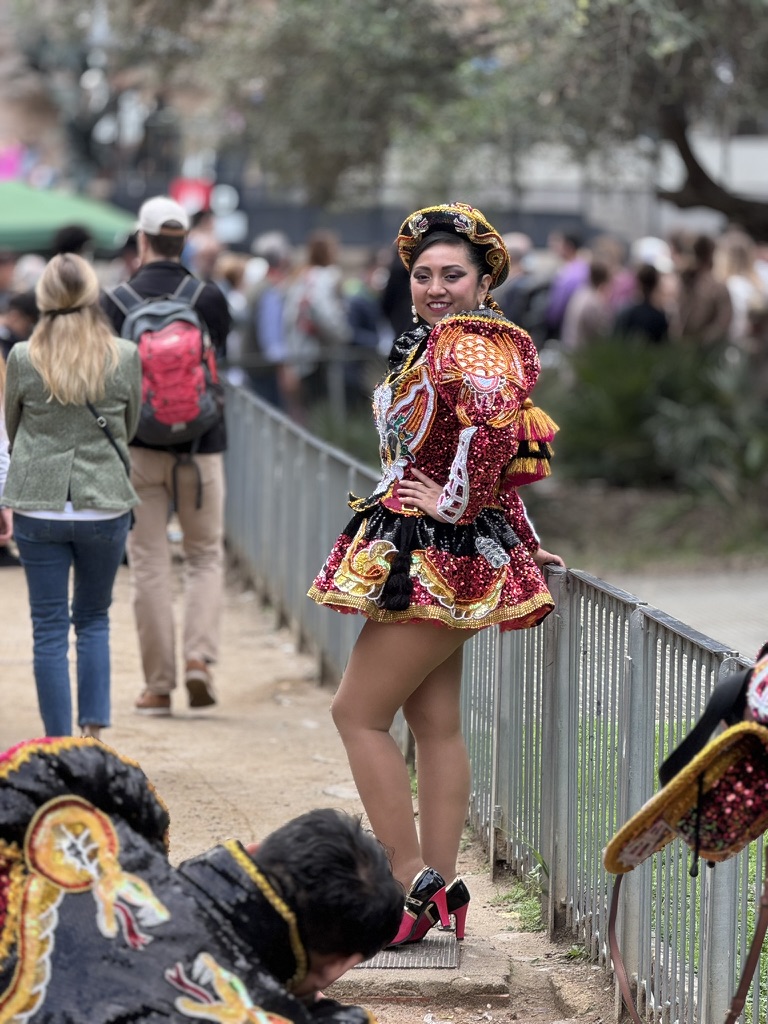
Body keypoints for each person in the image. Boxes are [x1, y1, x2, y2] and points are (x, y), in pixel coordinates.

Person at [308, 202, 564, 946]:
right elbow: (495, 455)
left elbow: (492, 433)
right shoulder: (436, 339)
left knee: (356, 715)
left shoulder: (472, 338)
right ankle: (438, 893)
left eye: (453, 273)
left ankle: (406, 882)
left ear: (487, 278)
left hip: (432, 552)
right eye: (423, 274)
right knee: (435, 724)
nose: (435, 285)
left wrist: (453, 505)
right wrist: (515, 532)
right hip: (437, 545)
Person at [0, 737, 403, 1022]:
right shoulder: (256, 1011)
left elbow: (43, 769)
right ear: (338, 966)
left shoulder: (63, 813)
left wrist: (148, 850)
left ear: (255, 848)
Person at [101, 195, 231, 717]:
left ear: (142, 238)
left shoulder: (116, 302)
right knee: (204, 556)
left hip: (138, 449)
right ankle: (199, 658)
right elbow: (219, 364)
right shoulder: (208, 296)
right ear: (185, 240)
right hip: (202, 449)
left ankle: (158, 686)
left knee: (151, 563)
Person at [2, 253, 141, 739]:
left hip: (37, 502)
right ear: (91, 294)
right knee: (93, 619)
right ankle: (94, 733)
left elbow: (12, 429)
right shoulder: (123, 355)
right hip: (103, 502)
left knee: (48, 628)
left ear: (43, 297)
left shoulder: (22, 357)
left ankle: (58, 742)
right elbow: (130, 425)